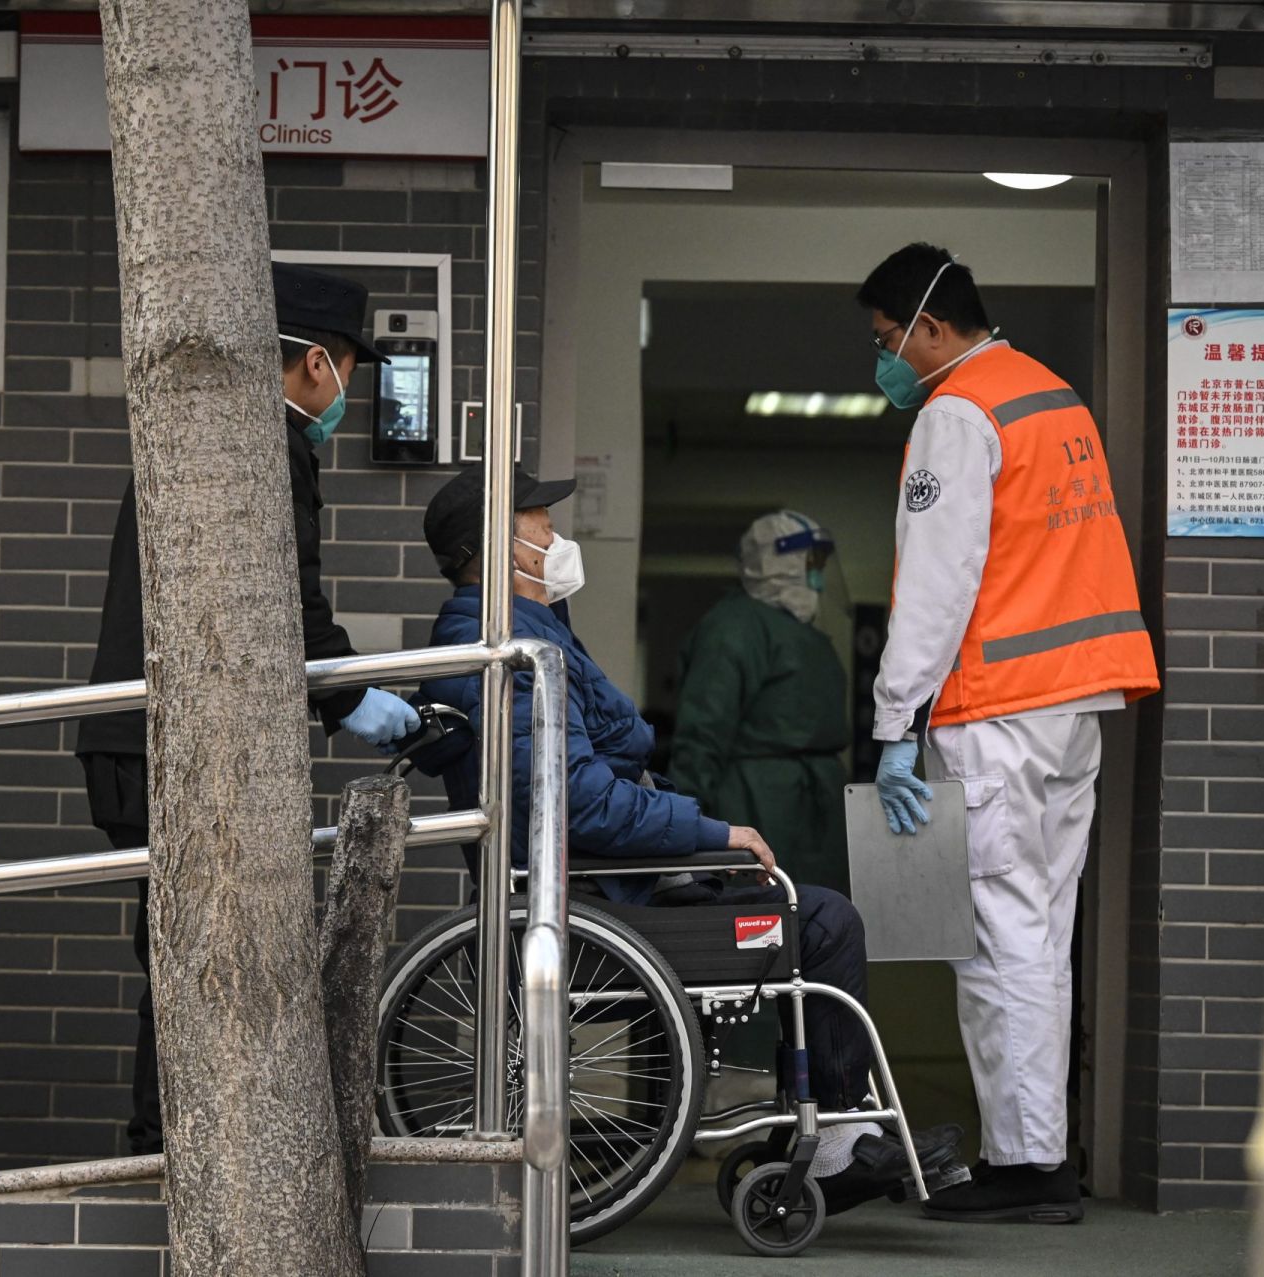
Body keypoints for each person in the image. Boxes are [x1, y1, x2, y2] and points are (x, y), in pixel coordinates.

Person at [416, 464, 959, 1207]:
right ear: (503, 545)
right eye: (544, 523)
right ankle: (836, 1141)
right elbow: (576, 802)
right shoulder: (509, 647)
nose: (557, 537)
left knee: (812, 912)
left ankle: (831, 1131)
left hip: (607, 885)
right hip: (601, 900)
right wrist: (708, 832)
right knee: (825, 922)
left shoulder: (528, 633)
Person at [77, 262, 423, 1155]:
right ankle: (170, 1149)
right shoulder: (270, 441)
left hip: (135, 741)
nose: (347, 393)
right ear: (316, 362)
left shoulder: (204, 432)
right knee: (197, 957)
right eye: (350, 370)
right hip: (170, 744)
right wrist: (350, 696)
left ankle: (170, 1145)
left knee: (185, 949)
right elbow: (286, 600)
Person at [858, 243, 1160, 1223]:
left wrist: (894, 719)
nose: (886, 359)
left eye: (887, 339)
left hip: (996, 711)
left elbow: (937, 584)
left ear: (930, 327)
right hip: (1072, 710)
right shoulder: (1052, 396)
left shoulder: (958, 411)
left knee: (998, 936)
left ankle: (1029, 1165)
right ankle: (1035, 1149)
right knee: (1042, 927)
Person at [669, 510, 853, 894]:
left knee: (821, 907)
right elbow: (702, 733)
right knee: (765, 907)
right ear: (779, 564)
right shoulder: (733, 628)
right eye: (811, 562)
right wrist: (686, 824)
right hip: (758, 799)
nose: (817, 574)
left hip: (815, 805)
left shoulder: (803, 632)